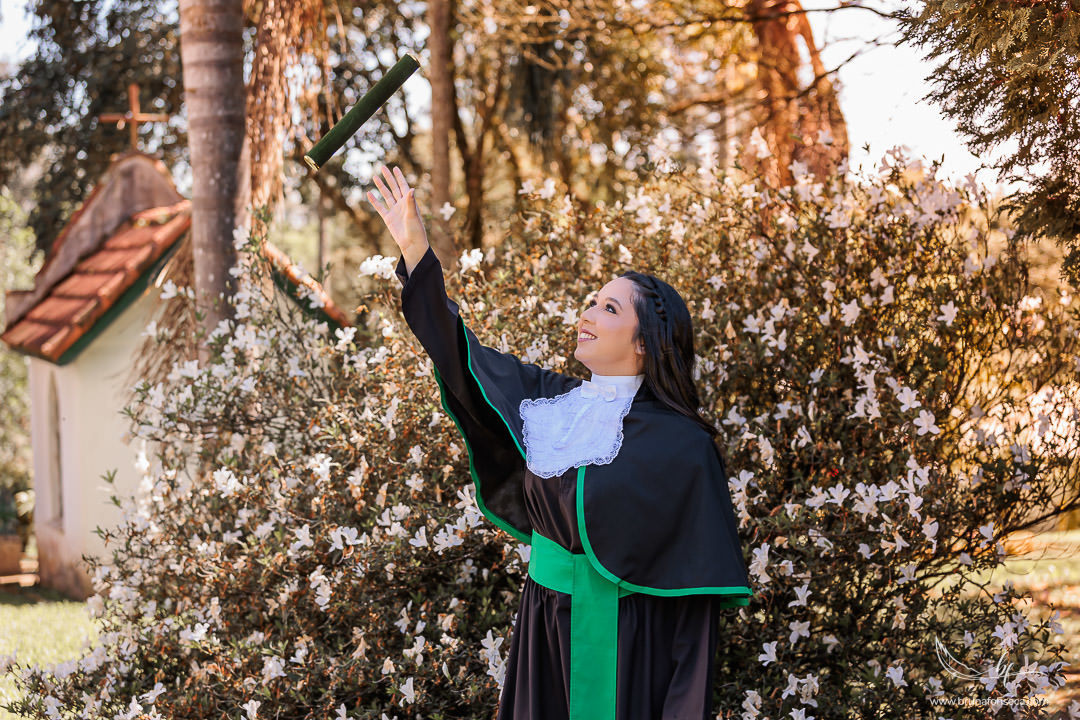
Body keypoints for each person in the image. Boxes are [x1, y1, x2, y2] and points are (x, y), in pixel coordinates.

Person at [366, 164, 753, 720]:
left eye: (610, 308)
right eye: (592, 302)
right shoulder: (550, 404)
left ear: (645, 343)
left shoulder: (683, 446)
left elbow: (697, 610)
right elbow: (454, 350)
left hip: (629, 647)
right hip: (543, 631)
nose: (588, 313)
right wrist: (415, 250)